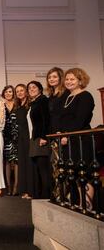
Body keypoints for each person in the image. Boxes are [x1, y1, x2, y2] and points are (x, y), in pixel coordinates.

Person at [59, 68, 95, 208]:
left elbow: (80, 119)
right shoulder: (67, 97)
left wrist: (67, 134)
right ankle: (77, 202)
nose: (69, 82)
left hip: (81, 139)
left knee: (84, 171)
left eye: (72, 79)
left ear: (80, 80)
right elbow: (63, 119)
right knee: (72, 171)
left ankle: (87, 204)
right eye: (67, 79)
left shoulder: (86, 96)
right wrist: (61, 132)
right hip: (67, 139)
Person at [27, 81, 50, 199]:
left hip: (41, 138)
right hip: (35, 138)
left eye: (34, 87)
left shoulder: (42, 100)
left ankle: (46, 195)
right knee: (38, 168)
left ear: (40, 89)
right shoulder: (34, 102)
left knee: (43, 168)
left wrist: (44, 137)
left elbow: (46, 119)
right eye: (29, 88)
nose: (31, 89)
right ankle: (41, 194)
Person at [15, 84, 33, 199]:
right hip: (20, 137)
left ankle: (31, 191)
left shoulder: (30, 105)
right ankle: (24, 190)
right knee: (22, 163)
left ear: (26, 92)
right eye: (17, 91)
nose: (20, 93)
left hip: (29, 136)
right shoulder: (18, 106)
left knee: (29, 163)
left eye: (22, 90)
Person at [2, 85, 19, 196]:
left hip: (17, 136)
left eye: (11, 92)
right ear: (4, 94)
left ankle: (16, 186)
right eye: (7, 92)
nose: (9, 94)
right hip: (5, 137)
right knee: (7, 161)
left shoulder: (18, 105)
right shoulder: (1, 106)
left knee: (17, 161)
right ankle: (9, 187)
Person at [46, 67, 69, 134]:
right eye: (49, 77)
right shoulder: (50, 96)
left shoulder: (66, 93)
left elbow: (67, 115)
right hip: (53, 131)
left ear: (61, 78)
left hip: (62, 131)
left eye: (54, 77)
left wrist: (63, 131)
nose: (51, 79)